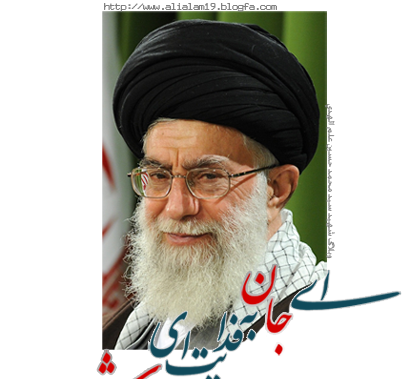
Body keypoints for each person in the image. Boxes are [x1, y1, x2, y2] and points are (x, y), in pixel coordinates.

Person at [102, 19, 327, 351]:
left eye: (208, 177)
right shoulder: (121, 332)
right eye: (159, 176)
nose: (176, 208)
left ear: (277, 189)